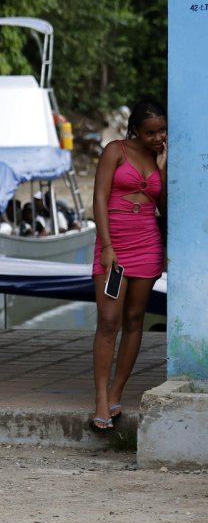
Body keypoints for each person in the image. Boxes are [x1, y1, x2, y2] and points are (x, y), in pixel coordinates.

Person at [90, 100, 167, 432]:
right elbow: (98, 198)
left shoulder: (159, 157)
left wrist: (162, 167)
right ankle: (100, 400)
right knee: (109, 321)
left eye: (162, 131)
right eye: (150, 132)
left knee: (135, 319)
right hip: (115, 244)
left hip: (147, 242)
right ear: (135, 129)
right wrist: (107, 246)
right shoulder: (114, 151)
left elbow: (163, 206)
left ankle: (117, 391)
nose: (156, 137)